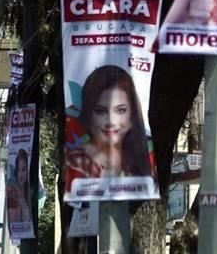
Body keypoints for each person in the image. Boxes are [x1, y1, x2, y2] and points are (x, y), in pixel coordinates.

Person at [65, 65, 152, 193]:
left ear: (133, 113)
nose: (111, 121)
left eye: (121, 110)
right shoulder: (77, 162)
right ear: (88, 114)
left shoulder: (143, 159)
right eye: (100, 111)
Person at [6, 149, 34, 229]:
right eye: (18, 170)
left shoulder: (31, 192)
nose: (20, 174)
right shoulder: (12, 192)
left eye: (24, 169)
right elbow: (13, 222)